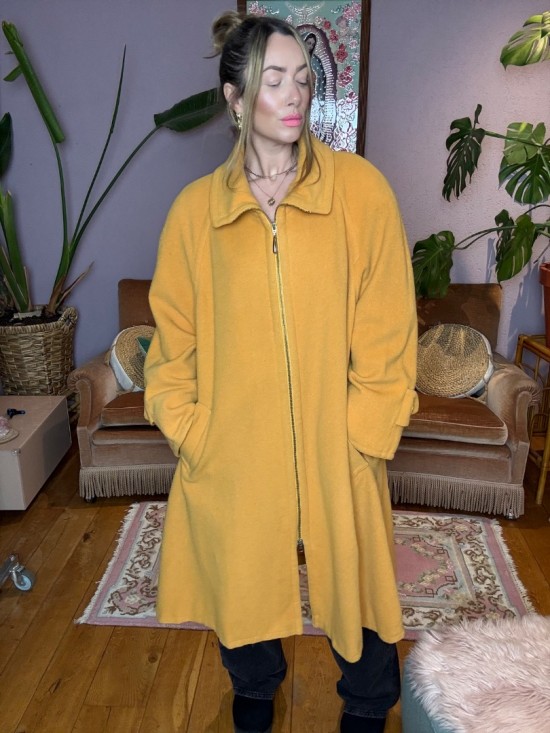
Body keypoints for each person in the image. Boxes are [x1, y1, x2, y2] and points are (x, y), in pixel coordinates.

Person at [144, 11, 418, 733]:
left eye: (302, 77)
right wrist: (193, 432)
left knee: (359, 602)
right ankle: (254, 696)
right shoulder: (194, 214)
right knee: (244, 596)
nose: (294, 94)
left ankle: (367, 708)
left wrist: (367, 432)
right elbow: (172, 345)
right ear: (235, 100)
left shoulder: (360, 192)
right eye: (273, 80)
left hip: (339, 445)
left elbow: (389, 325)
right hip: (234, 452)